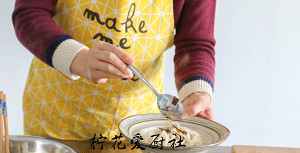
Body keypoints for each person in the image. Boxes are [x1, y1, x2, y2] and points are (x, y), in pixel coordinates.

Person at [12, 0, 216, 141]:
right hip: (57, 116)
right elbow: (30, 13)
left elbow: (194, 42)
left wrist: (196, 91)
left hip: (140, 125)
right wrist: (77, 58)